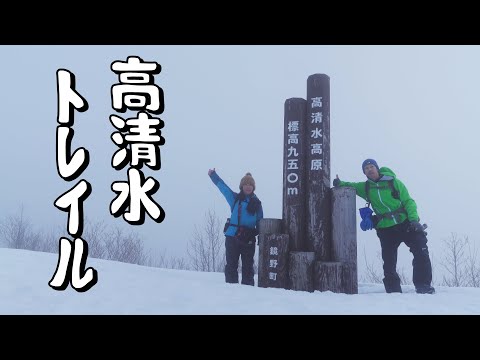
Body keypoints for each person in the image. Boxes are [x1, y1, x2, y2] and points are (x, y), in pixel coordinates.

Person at [333, 159, 435, 294]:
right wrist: (339, 183)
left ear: (377, 168)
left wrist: (414, 220)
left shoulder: (393, 182)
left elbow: (408, 201)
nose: (369, 169)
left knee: (421, 251)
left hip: (405, 224)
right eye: (366, 168)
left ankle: (423, 286)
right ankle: (393, 291)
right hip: (386, 229)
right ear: (364, 172)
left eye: (371, 166)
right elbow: (350, 185)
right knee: (388, 262)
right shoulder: (366, 187)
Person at [208, 168, 263, 286]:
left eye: (250, 184)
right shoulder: (235, 198)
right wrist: (213, 176)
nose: (248, 186)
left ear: (253, 187)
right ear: (241, 186)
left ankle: (248, 294)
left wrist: (260, 238)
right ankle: (230, 292)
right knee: (231, 265)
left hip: (248, 238)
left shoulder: (257, 204)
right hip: (232, 237)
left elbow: (260, 222)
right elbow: (223, 188)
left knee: (248, 267)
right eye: (245, 184)